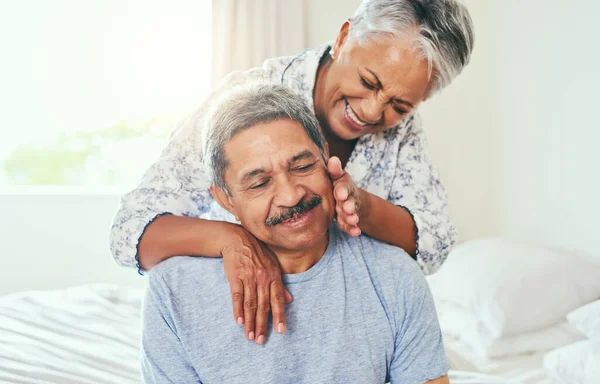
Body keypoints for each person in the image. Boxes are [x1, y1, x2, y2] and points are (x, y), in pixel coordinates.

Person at [111, 0, 474, 343]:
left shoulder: (402, 131)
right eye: (368, 82)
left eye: (399, 104)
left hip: (346, 340)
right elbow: (130, 231)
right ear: (343, 38)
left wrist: (361, 207)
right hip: (244, 335)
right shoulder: (239, 103)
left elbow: (434, 244)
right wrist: (234, 240)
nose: (372, 112)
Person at [141, 84, 452, 384]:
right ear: (225, 200)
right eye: (260, 183)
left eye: (303, 167)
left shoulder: (394, 276)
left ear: (327, 160)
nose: (291, 195)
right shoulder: (174, 290)